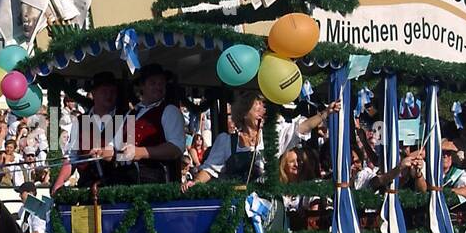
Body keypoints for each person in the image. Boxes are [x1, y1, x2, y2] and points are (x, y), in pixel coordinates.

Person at [188, 90, 339, 187]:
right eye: (257, 107)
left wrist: (324, 113)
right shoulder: (227, 141)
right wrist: (194, 183)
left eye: (264, 108)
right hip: (237, 206)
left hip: (266, 205)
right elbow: (209, 170)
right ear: (244, 112)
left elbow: (301, 128)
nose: (263, 112)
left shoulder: (272, 138)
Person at [53, 71, 136, 193]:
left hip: (118, 188)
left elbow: (130, 155)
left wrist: (108, 154)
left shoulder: (126, 118)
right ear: (94, 93)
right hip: (88, 188)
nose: (109, 95)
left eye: (112, 91)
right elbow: (72, 158)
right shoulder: (81, 121)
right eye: (104, 91)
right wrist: (58, 184)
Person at [122, 64, 186, 183]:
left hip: (155, 180)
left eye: (161, 83)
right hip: (129, 178)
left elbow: (176, 148)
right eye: (153, 83)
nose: (158, 86)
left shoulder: (169, 110)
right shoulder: (132, 113)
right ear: (142, 86)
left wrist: (140, 152)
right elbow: (123, 145)